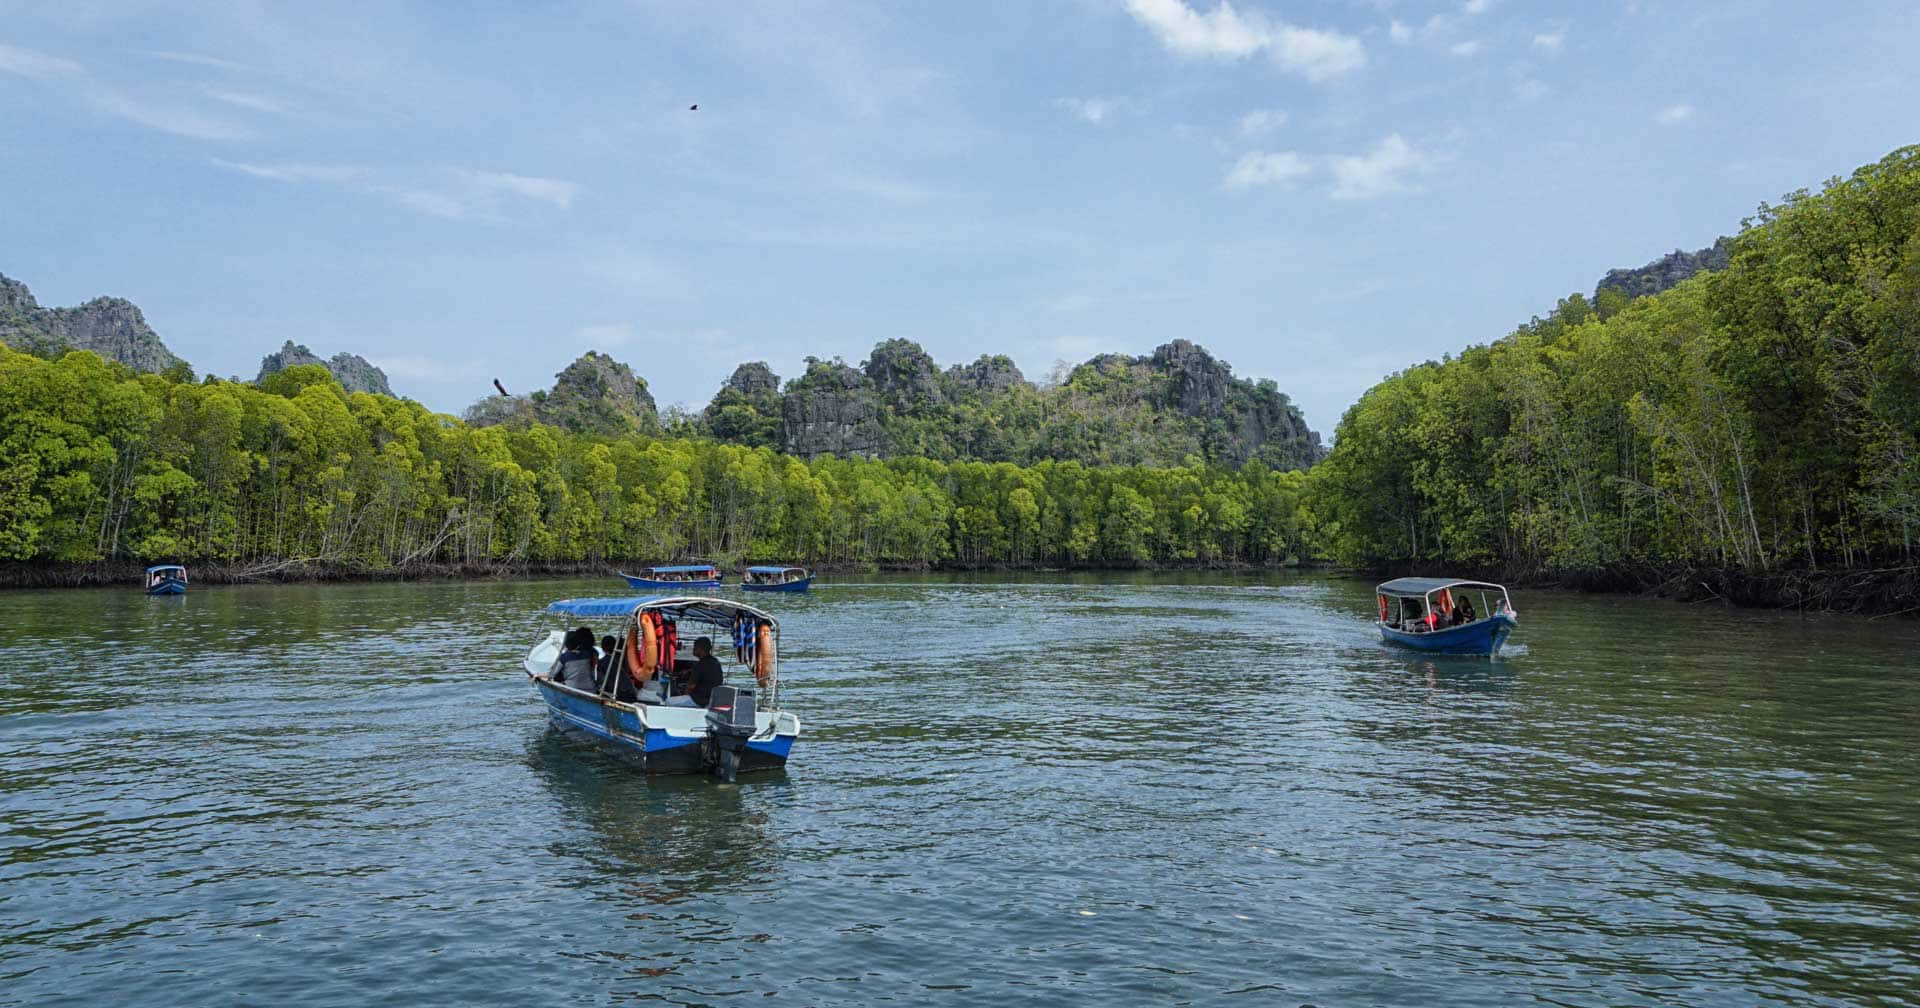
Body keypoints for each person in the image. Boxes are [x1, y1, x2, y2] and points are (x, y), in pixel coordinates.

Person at [671, 636, 726, 708]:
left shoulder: (699, 665)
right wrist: (689, 671)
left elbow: (690, 687)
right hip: (711, 700)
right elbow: (707, 673)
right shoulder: (716, 662)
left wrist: (682, 694)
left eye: (695, 647)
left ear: (700, 649)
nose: (693, 649)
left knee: (669, 701)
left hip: (698, 701)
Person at [549, 627, 598, 691]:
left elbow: (552, 673)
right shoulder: (591, 653)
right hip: (590, 686)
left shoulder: (565, 656)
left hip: (573, 686)